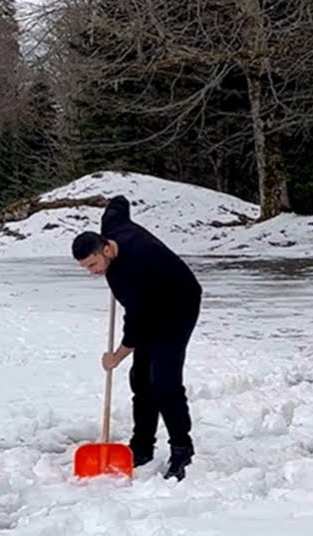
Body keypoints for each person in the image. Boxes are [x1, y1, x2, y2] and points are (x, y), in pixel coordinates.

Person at [71, 195, 202, 481]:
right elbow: (118, 204)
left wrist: (115, 357)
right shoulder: (112, 228)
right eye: (86, 268)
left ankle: (182, 448)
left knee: (163, 380)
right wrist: (116, 201)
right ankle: (142, 445)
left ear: (106, 249)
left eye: (93, 265)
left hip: (178, 305)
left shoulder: (133, 269)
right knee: (140, 379)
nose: (92, 272)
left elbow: (136, 324)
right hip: (150, 305)